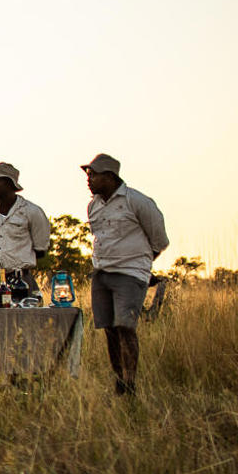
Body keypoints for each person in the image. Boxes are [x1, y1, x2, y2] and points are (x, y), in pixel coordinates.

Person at [81, 154, 169, 396]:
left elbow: (159, 239)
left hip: (130, 273)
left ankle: (130, 383)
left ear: (110, 176)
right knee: (109, 328)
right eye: (88, 175)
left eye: (94, 175)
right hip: (102, 272)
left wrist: (140, 265)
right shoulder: (93, 205)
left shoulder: (137, 201)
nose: (89, 180)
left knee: (125, 327)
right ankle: (119, 381)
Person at [0, 162, 53, 291]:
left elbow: (40, 249)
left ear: (10, 184)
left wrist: (16, 261)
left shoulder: (32, 211)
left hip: (21, 280)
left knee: (25, 310)